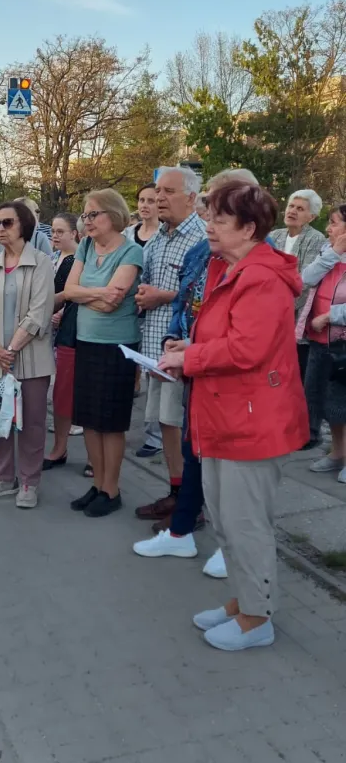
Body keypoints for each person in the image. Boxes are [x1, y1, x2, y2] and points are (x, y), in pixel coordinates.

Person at [159, 181, 308, 651]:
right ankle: (244, 601)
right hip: (225, 416)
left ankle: (257, 618)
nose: (209, 227)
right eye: (209, 218)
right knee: (225, 521)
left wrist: (189, 358)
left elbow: (248, 349)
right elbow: (227, 336)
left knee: (246, 525)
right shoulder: (229, 267)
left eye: (219, 220)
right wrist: (191, 346)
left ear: (248, 229)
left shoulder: (260, 277)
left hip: (251, 422)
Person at [132, 168, 259, 573]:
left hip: (235, 385)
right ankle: (181, 531)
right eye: (209, 204)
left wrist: (192, 352)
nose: (209, 214)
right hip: (196, 367)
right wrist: (179, 340)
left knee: (232, 470)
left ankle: (234, 550)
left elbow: (245, 342)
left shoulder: (260, 262)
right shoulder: (205, 252)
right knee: (195, 452)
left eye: (217, 207)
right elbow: (192, 304)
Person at [0, 201, 54, 509]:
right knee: (0, 421)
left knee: (32, 424)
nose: (0, 228)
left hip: (30, 359)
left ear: (24, 226)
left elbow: (39, 312)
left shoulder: (41, 262)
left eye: (8, 223)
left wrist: (11, 349)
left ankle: (29, 482)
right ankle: (3, 478)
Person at [63, 189, 144, 517]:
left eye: (93, 214)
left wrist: (85, 296)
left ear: (114, 214)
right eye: (85, 215)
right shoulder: (85, 245)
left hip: (117, 346)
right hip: (87, 340)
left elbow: (114, 302)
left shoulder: (131, 251)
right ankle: (97, 485)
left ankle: (111, 489)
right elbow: (69, 291)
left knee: (110, 422)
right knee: (89, 419)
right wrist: (97, 294)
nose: (87, 220)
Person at [134, 166, 206, 524]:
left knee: (180, 425)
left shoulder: (202, 239)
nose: (159, 198)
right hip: (154, 346)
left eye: (168, 192)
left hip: (183, 348)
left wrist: (161, 296)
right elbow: (147, 283)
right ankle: (177, 492)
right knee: (163, 422)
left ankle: (192, 504)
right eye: (157, 191)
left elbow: (203, 298)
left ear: (191, 198)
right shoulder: (160, 237)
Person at [298, 204, 346, 479]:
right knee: (328, 403)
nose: (328, 229)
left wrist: (330, 316)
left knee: (344, 402)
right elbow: (305, 279)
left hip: (342, 341)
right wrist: (334, 252)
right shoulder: (328, 252)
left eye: (334, 223)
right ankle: (337, 453)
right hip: (319, 340)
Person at [270, 189, 325, 405]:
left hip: (296, 318)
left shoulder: (315, 239)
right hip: (270, 315)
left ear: (311, 217)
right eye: (291, 206)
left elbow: (305, 282)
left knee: (294, 378)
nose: (292, 211)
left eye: (300, 209)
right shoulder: (275, 236)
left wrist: (279, 307)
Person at [125, 183, 163, 459]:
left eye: (151, 200)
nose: (145, 205)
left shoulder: (164, 235)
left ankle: (155, 434)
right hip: (127, 309)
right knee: (127, 370)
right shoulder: (127, 234)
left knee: (153, 373)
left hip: (152, 310)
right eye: (141, 200)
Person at [43, 212, 81, 469]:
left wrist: (59, 309)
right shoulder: (53, 258)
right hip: (58, 332)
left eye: (60, 231)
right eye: (53, 231)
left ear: (74, 234)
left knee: (78, 391)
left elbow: (71, 294)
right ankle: (59, 448)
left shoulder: (79, 259)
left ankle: (93, 456)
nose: (55, 236)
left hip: (75, 328)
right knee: (61, 390)